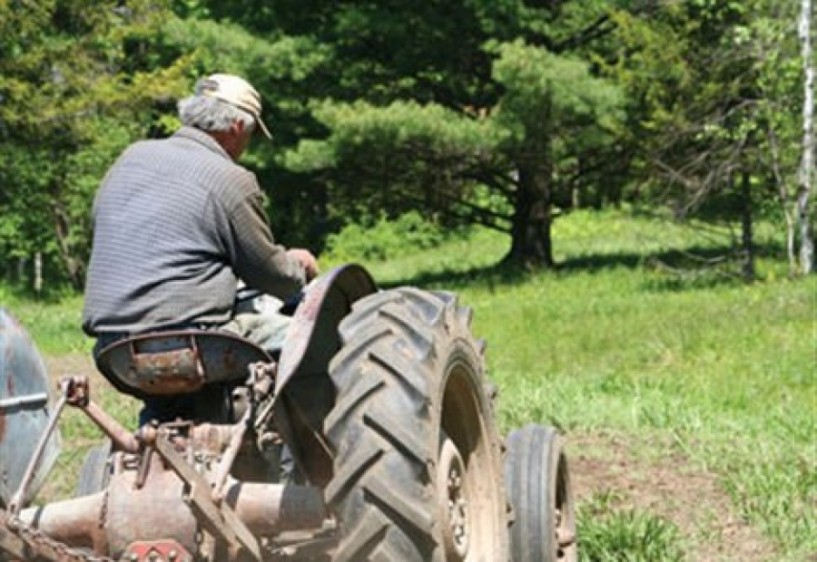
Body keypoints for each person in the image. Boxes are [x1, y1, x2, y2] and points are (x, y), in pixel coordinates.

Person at [82, 73, 318, 423]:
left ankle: (165, 437)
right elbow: (273, 277)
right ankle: (303, 448)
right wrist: (299, 265)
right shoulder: (230, 178)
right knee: (319, 336)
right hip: (194, 344)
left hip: (115, 351)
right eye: (251, 136)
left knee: (168, 399)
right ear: (238, 126)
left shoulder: (130, 158)